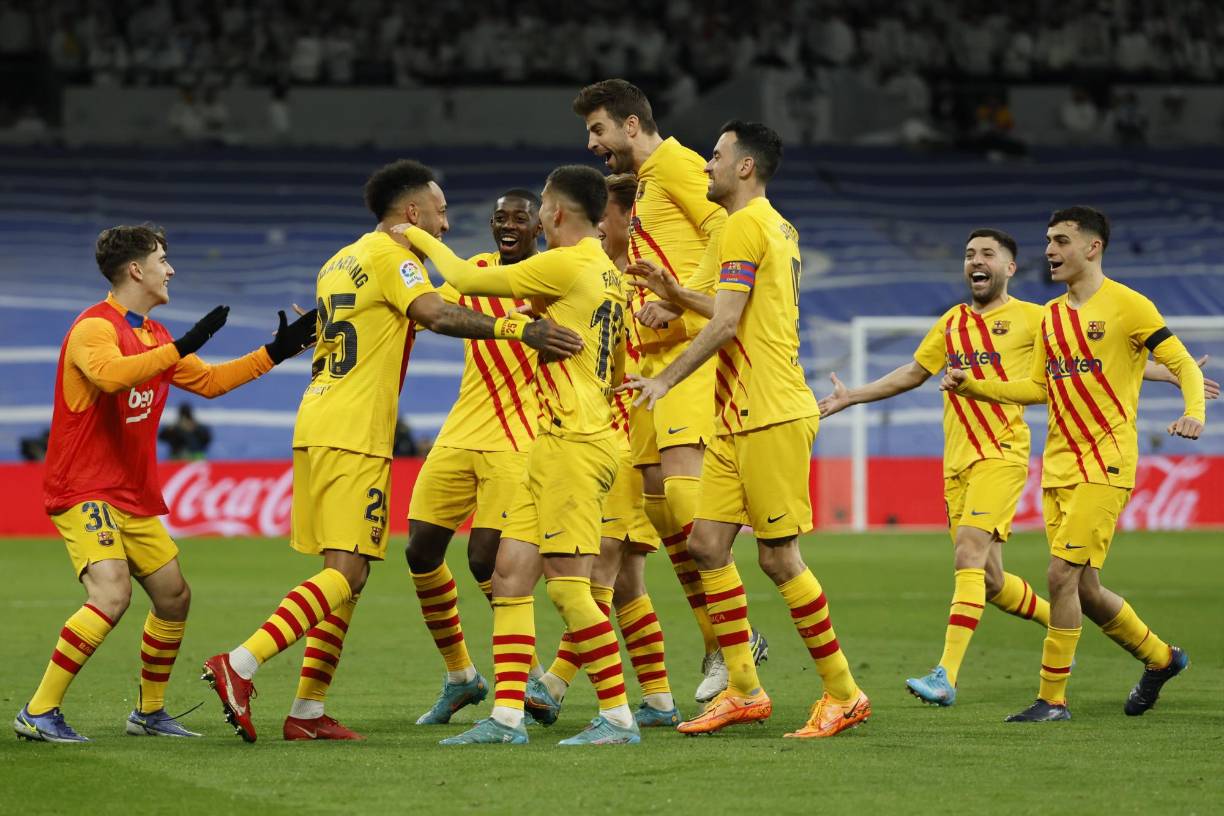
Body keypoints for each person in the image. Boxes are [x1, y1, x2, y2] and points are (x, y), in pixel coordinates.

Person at [201, 160, 582, 743]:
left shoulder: (339, 261)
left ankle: (307, 712)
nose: (447, 224)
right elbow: (431, 310)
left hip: (320, 419)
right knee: (347, 570)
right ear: (413, 213)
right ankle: (241, 664)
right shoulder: (394, 257)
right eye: (441, 210)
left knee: (346, 575)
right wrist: (516, 330)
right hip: (356, 430)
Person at [14, 224, 316, 743]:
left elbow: (213, 382)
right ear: (136, 269)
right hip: (83, 489)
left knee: (174, 597)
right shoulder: (94, 328)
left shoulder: (154, 336)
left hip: (131, 496)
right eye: (162, 259)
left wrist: (277, 351)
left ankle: (149, 713)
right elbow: (112, 377)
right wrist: (185, 343)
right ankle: (38, 711)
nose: (170, 269)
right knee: (110, 594)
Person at [621, 121, 868, 739]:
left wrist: (666, 379)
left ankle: (845, 693)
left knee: (780, 558)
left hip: (772, 410)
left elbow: (728, 324)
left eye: (716, 156)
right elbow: (734, 306)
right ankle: (743, 688)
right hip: (737, 415)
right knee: (705, 546)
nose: (706, 166)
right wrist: (674, 291)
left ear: (745, 168)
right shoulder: (770, 225)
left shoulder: (743, 224)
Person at [401, 164, 640, 746]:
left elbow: (456, 272)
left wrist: (410, 232)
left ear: (553, 214)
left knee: (566, 588)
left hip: (575, 446)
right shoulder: (605, 274)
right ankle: (507, 718)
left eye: (538, 211)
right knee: (508, 578)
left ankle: (618, 716)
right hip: (558, 437)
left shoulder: (570, 261)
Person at [943, 205, 1206, 722]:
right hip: (1060, 464)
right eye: (1047, 240)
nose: (1049, 250)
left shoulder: (1129, 306)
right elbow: (1038, 387)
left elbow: (1179, 362)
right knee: (1084, 588)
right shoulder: (1053, 317)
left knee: (1060, 576)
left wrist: (1192, 411)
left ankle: (1052, 700)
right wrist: (974, 385)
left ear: (1092, 247)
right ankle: (1161, 658)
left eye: (1061, 241)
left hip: (1105, 462)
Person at [573, 78, 765, 704]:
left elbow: (728, 231)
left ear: (631, 125)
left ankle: (739, 640)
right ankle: (719, 641)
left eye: (599, 130)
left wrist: (682, 306)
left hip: (688, 358)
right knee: (663, 515)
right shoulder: (648, 185)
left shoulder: (680, 165)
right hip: (651, 366)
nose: (594, 143)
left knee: (686, 507)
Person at [526, 173, 680, 729]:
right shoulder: (611, 285)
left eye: (628, 218)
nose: (628, 228)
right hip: (623, 442)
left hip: (613, 441)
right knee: (624, 581)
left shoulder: (623, 285)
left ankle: (558, 686)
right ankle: (658, 699)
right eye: (626, 218)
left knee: (594, 576)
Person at [406, 189, 544, 725]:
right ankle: (461, 677)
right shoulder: (477, 270)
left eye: (519, 218)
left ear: (539, 226)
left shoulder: (553, 275)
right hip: (460, 433)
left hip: (518, 441)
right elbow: (425, 311)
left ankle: (528, 679)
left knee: (486, 562)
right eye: (500, 218)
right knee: (420, 552)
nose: (507, 225)